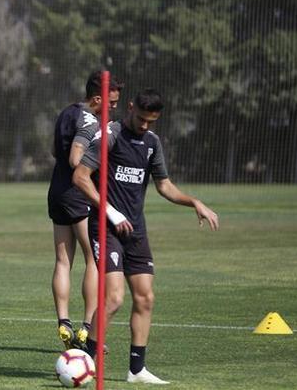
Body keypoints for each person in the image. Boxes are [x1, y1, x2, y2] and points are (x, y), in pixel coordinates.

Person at [73, 88, 219, 384]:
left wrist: (194, 202)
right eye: (141, 118)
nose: (144, 125)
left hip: (135, 231)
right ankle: (84, 361)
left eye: (151, 121)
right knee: (113, 298)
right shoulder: (111, 136)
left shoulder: (152, 143)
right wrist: (111, 212)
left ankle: (136, 370)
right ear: (130, 108)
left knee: (146, 298)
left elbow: (164, 186)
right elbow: (80, 177)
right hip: (106, 227)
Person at [47, 72, 121, 350]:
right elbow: (75, 157)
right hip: (80, 196)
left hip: (57, 191)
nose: (113, 107)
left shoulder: (67, 112)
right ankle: (88, 328)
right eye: (111, 102)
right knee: (94, 259)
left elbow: (55, 149)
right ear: (97, 98)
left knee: (63, 260)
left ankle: (64, 322)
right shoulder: (90, 119)